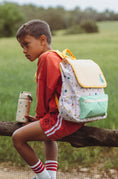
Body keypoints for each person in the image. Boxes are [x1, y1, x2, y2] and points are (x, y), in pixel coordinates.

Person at [12, 19, 84, 179]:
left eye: (26, 44)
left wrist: (39, 118)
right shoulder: (57, 56)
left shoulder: (45, 58)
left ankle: (44, 177)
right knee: (48, 139)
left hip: (61, 119)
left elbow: (45, 92)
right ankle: (51, 175)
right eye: (21, 46)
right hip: (67, 116)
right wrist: (41, 119)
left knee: (17, 138)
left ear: (42, 40)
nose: (24, 50)